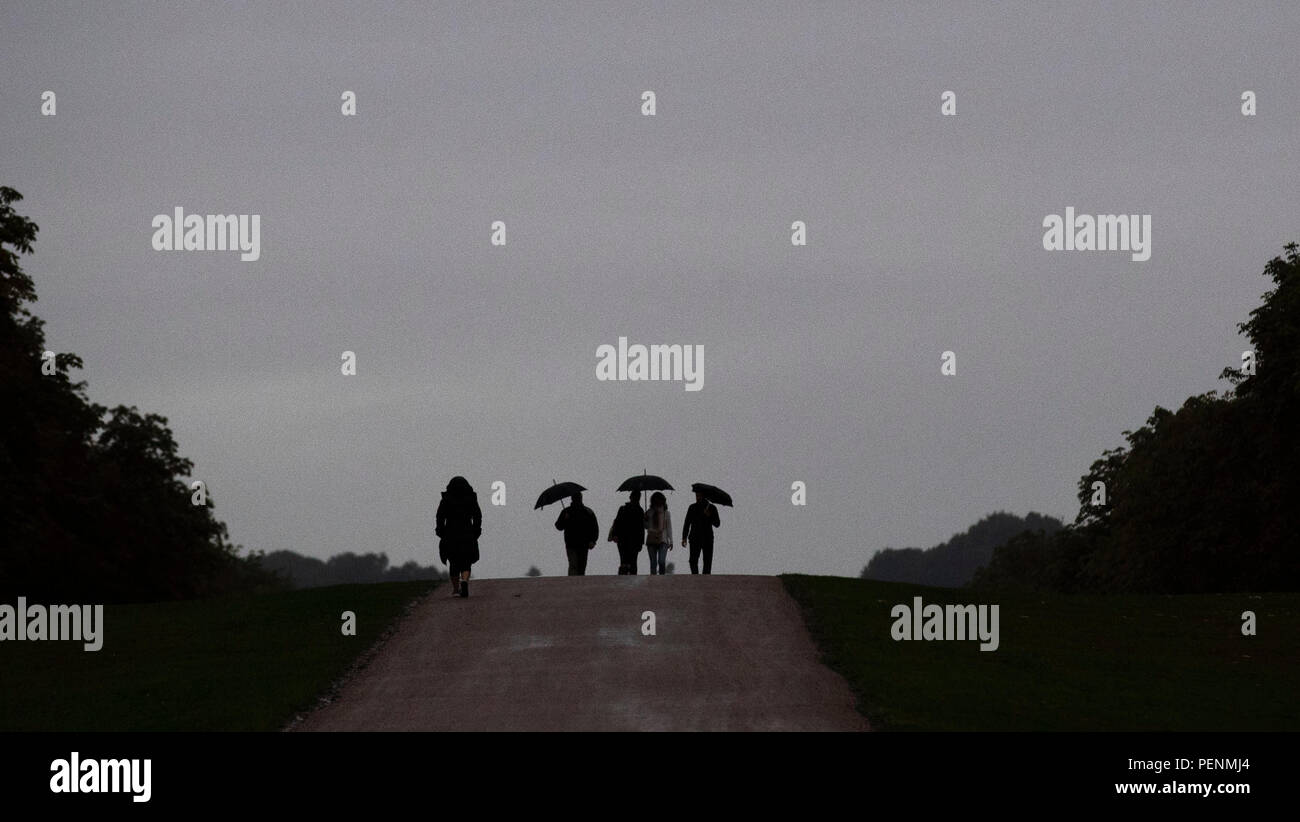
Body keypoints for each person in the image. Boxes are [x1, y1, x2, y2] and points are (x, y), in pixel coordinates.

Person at [436, 476, 482, 597]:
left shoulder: (446, 499)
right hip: (467, 532)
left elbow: (440, 517)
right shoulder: (471, 498)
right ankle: (464, 580)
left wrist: (440, 530)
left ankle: (456, 590)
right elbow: (477, 516)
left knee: (453, 561)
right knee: (466, 561)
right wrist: (476, 530)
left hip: (450, 533)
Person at [555, 491, 599, 576]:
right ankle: (576, 582)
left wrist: (593, 540)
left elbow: (594, 528)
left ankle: (575, 582)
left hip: (579, 544)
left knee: (578, 566)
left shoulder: (569, 511)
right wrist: (593, 541)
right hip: (575, 544)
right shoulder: (586, 511)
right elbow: (559, 526)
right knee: (576, 566)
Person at [682, 491, 721, 574]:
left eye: (699, 496)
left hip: (708, 538)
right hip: (694, 538)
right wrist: (684, 537)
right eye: (696, 495)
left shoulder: (712, 508)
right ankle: (695, 577)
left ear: (704, 496)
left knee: (707, 561)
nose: (697, 498)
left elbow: (717, 524)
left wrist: (709, 515)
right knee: (693, 560)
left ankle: (705, 579)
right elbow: (687, 523)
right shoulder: (692, 507)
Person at [608, 490, 645, 575]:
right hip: (630, 540)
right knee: (631, 562)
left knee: (626, 561)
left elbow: (617, 523)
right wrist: (641, 542)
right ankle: (630, 578)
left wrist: (615, 535)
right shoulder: (639, 510)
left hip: (625, 540)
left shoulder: (625, 509)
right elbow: (641, 528)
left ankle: (624, 577)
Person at [643, 491, 673, 575]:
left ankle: (661, 579)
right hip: (651, 539)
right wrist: (645, 520)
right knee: (653, 563)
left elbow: (669, 527)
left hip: (663, 540)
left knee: (661, 561)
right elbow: (646, 526)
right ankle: (653, 580)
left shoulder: (666, 513)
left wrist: (671, 541)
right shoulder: (649, 512)